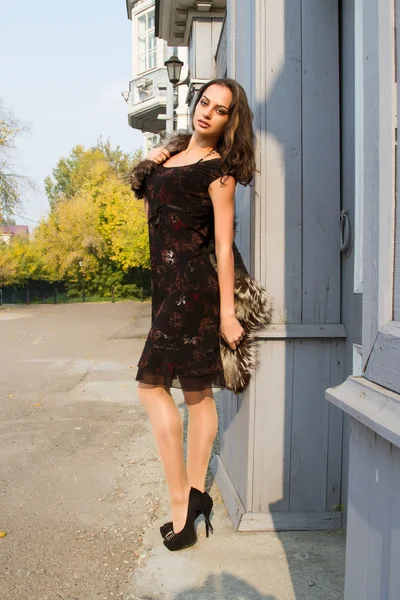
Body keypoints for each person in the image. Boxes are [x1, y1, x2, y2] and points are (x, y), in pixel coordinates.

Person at [134, 78, 256, 551]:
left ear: (230, 120)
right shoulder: (173, 156)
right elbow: (151, 201)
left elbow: (223, 246)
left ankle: (181, 505)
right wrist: (156, 161)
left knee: (151, 386)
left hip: (194, 291)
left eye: (220, 109)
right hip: (165, 288)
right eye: (204, 102)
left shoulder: (219, 170)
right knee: (198, 393)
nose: (207, 112)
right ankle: (197, 496)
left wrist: (228, 313)